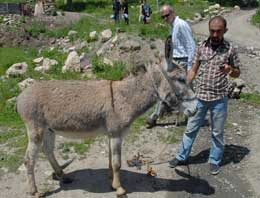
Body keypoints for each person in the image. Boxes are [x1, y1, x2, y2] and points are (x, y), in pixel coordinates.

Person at [168, 16, 241, 175]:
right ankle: (181, 157)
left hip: (219, 99)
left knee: (217, 132)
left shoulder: (230, 49)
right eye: (212, 31)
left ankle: (214, 160)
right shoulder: (201, 47)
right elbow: (193, 69)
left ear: (225, 30)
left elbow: (237, 72)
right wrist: (185, 86)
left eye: (218, 31)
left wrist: (230, 70)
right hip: (200, 97)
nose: (215, 34)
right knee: (190, 128)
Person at [146, 4, 196, 127]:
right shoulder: (172, 26)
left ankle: (192, 116)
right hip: (175, 61)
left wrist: (190, 67)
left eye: (166, 15)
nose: (165, 19)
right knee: (171, 88)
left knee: (183, 89)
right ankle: (156, 115)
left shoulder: (181, 24)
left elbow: (191, 45)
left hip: (183, 61)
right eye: (163, 17)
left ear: (172, 13)